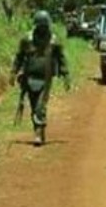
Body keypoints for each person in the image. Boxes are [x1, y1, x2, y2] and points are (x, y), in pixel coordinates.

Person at [10, 10, 70, 146]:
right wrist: (13, 72)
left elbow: (61, 59)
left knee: (40, 106)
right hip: (29, 78)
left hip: (46, 79)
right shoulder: (27, 40)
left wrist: (65, 75)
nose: (43, 29)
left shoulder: (54, 41)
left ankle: (38, 131)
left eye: (45, 26)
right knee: (33, 106)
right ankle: (39, 129)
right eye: (40, 26)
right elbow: (19, 57)